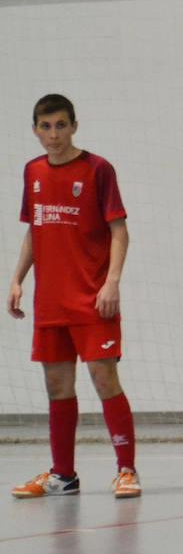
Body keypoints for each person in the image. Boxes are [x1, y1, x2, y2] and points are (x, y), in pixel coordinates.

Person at [8, 94, 140, 500]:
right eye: (46, 127)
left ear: (74, 126)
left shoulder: (98, 169)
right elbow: (34, 230)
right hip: (50, 303)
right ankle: (63, 476)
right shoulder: (32, 171)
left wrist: (112, 282)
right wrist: (17, 279)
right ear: (35, 130)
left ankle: (126, 470)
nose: (54, 134)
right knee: (57, 386)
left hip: (92, 300)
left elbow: (119, 231)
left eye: (61, 125)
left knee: (104, 378)